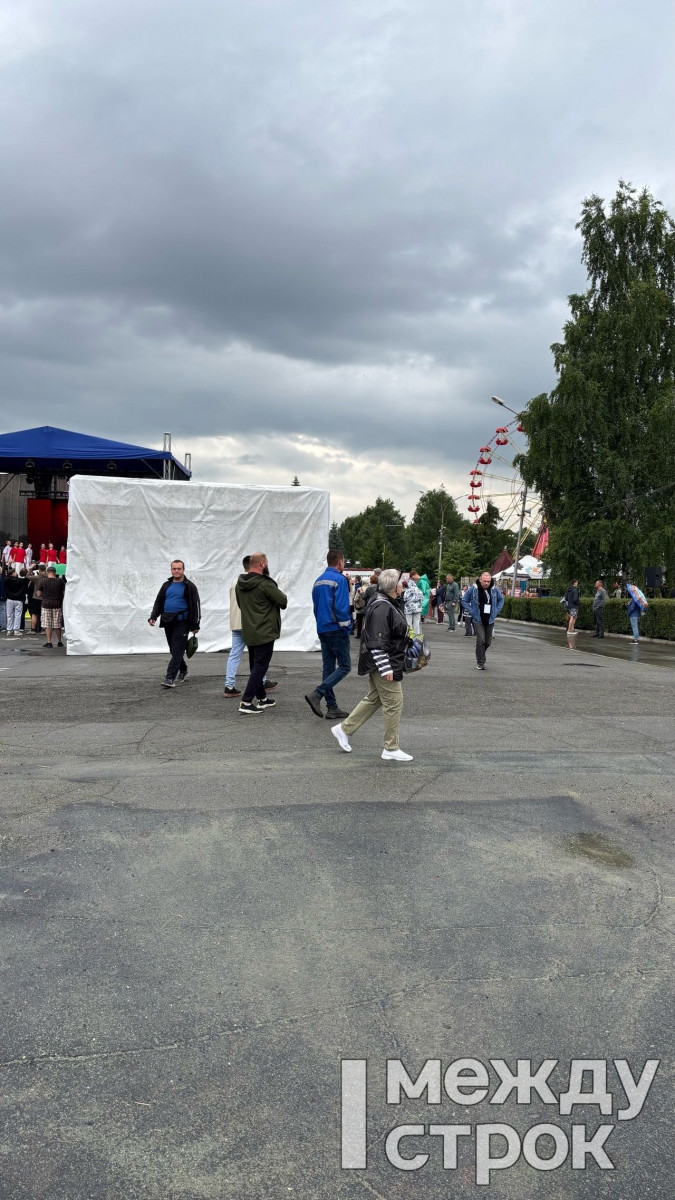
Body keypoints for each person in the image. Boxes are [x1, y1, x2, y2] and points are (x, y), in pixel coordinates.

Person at [331, 568, 413, 762]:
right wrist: (386, 668)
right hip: (384, 662)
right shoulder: (383, 606)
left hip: (383, 661)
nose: (402, 586)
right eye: (400, 583)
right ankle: (390, 748)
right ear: (394, 587)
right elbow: (377, 641)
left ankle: (344, 729)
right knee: (393, 702)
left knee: (375, 698)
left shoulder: (383, 602)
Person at [236, 552, 287, 714]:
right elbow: (283, 601)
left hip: (250, 630)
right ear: (262, 564)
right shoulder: (265, 584)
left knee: (255, 666)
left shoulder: (240, 584)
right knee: (260, 666)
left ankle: (262, 698)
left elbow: (241, 605)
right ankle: (246, 701)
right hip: (265, 631)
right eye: (267, 563)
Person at [306, 549, 353, 720]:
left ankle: (332, 707)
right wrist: (347, 628)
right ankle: (317, 694)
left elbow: (316, 607)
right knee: (345, 666)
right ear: (340, 561)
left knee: (328, 668)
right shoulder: (339, 579)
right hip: (336, 629)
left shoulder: (318, 581)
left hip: (323, 628)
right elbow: (341, 608)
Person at [222, 556, 278, 698]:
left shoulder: (235, 581)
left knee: (235, 654)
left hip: (236, 622)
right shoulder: (257, 582)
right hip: (251, 623)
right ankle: (261, 682)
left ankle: (229, 684)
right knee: (259, 657)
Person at [148, 559, 201, 687]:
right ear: (171, 570)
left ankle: (169, 678)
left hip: (182, 622)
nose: (176, 571)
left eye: (179, 569)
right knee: (173, 649)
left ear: (183, 570)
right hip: (168, 620)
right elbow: (159, 602)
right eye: (174, 569)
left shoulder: (189, 586)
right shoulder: (166, 585)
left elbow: (196, 605)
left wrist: (195, 624)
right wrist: (153, 616)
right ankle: (183, 670)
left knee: (177, 650)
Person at [463, 570, 505, 670]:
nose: (486, 583)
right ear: (480, 580)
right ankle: (480, 662)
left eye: (488, 581)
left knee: (487, 642)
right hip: (478, 619)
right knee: (480, 641)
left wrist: (496, 611)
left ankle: (480, 654)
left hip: (490, 619)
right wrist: (472, 611)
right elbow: (464, 600)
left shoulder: (494, 589)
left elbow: (501, 600)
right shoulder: (473, 589)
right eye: (485, 581)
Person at [37, 565, 66, 646]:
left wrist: (44, 595)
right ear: (55, 573)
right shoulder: (60, 581)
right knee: (58, 624)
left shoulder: (42, 581)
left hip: (46, 604)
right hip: (57, 604)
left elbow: (38, 594)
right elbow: (64, 593)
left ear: (47, 572)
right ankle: (59, 642)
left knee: (47, 625)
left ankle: (49, 642)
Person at [4, 569, 28, 637]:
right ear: (13, 573)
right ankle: (16, 630)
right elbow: (26, 579)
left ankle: (9, 630)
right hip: (18, 599)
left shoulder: (6, 580)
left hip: (9, 599)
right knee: (18, 615)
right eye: (15, 572)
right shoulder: (20, 580)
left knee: (9, 615)